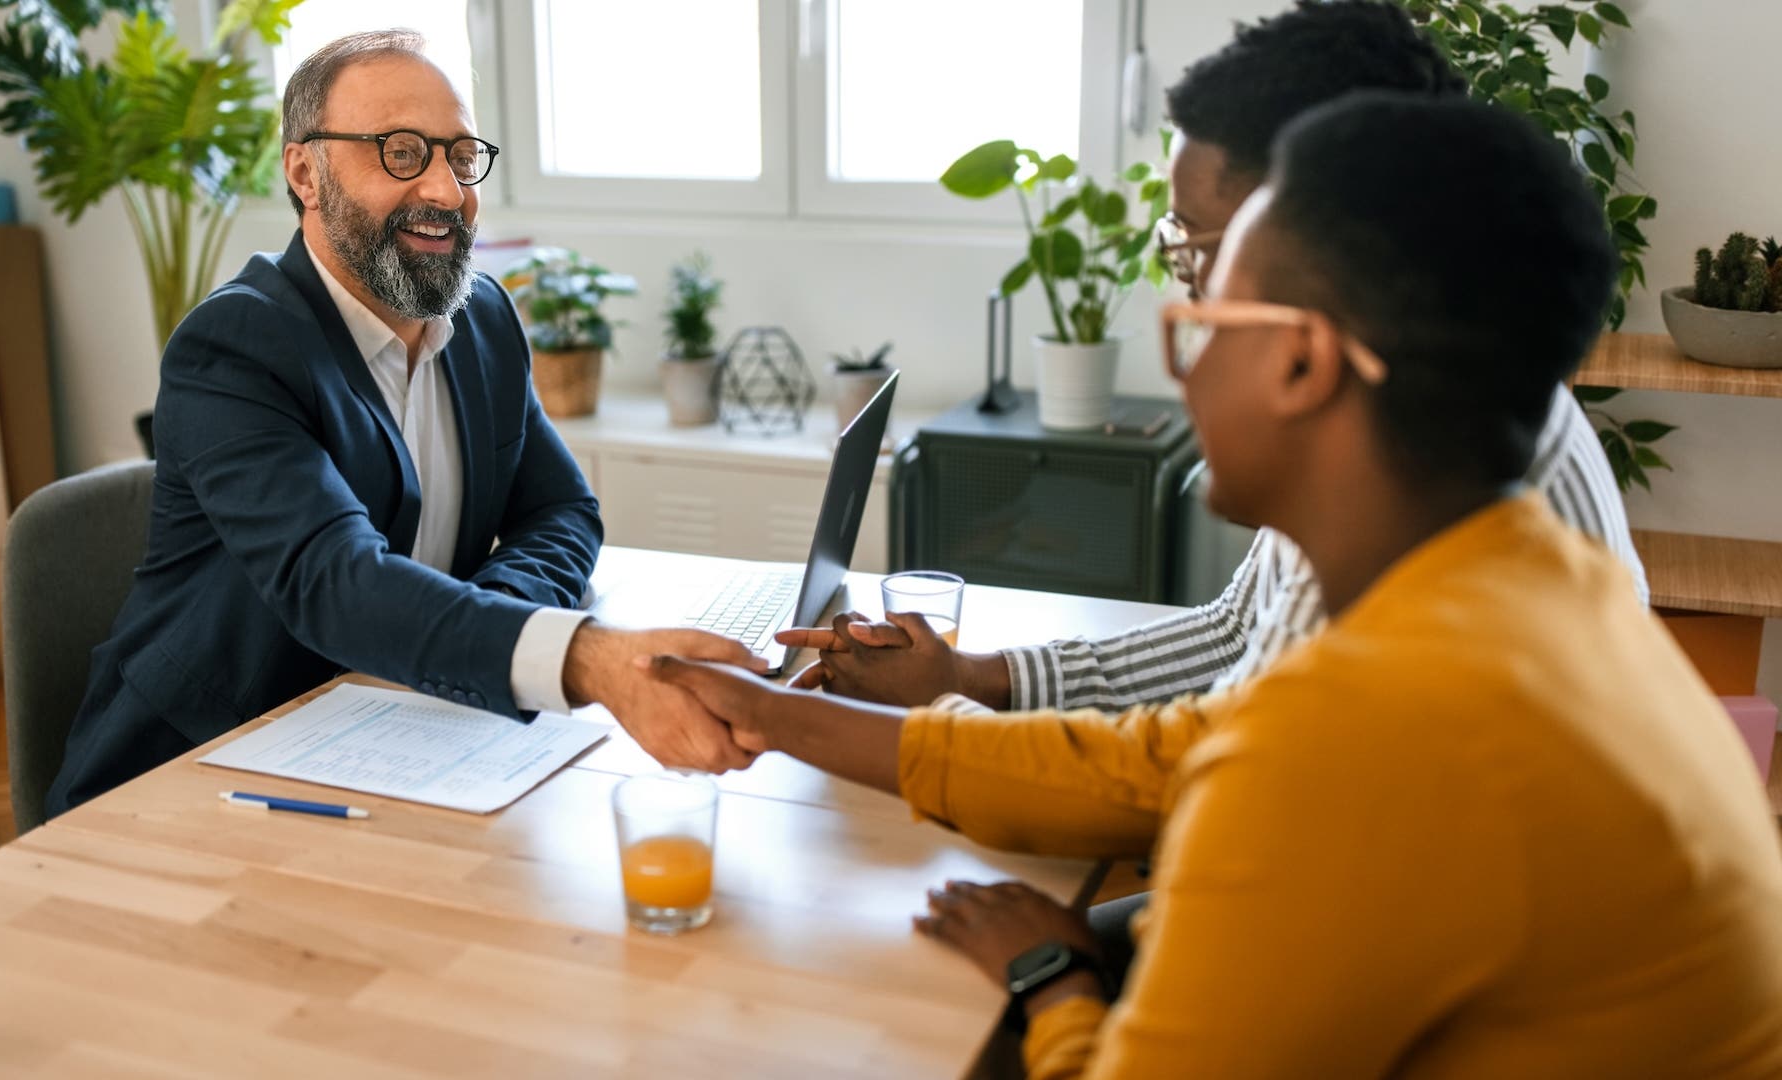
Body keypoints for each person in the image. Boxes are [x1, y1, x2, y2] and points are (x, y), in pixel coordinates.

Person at [638, 94, 1782, 1076]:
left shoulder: (1365, 725)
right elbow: (1162, 759)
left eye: (1200, 309)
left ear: (1300, 362)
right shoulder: (1538, 585)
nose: (1176, 353)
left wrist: (1051, 979)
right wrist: (785, 715)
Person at [779, 0, 1647, 714]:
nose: (1191, 324)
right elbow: (1237, 639)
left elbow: (1203, 769)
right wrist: (969, 680)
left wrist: (827, 721)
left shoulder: (1419, 489)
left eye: (1204, 257)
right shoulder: (1414, 403)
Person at [47, 31, 759, 816]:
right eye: (401, 151)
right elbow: (334, 582)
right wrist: (583, 661)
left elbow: (561, 511)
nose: (447, 192)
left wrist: (495, 618)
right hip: (198, 776)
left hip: (406, 746)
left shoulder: (483, 318)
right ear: (304, 173)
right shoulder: (236, 349)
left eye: (459, 156)